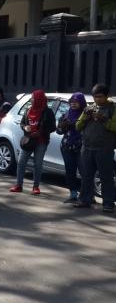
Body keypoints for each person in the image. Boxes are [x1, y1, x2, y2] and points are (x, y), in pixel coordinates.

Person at [73, 84, 116, 212]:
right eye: (95, 97)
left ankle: (108, 203)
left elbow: (114, 127)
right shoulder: (89, 108)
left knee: (106, 177)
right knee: (86, 176)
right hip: (87, 147)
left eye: (100, 96)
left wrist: (103, 119)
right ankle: (85, 200)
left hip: (104, 148)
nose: (98, 99)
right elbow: (77, 126)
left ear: (106, 96)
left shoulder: (112, 109)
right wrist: (85, 118)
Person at [9, 90, 55, 195]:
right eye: (32, 98)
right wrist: (25, 127)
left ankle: (36, 187)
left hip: (41, 141)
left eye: (34, 98)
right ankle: (18, 185)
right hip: (28, 140)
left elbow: (53, 127)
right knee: (21, 162)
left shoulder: (48, 112)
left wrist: (40, 132)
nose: (32, 100)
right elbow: (22, 123)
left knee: (37, 164)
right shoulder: (28, 110)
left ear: (39, 99)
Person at [57, 92, 86, 204]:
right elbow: (59, 131)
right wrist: (63, 126)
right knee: (70, 171)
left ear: (81, 102)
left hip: (82, 147)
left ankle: (87, 195)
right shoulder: (66, 114)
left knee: (85, 172)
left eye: (76, 102)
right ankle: (73, 194)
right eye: (71, 102)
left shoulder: (86, 115)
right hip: (67, 147)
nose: (73, 104)